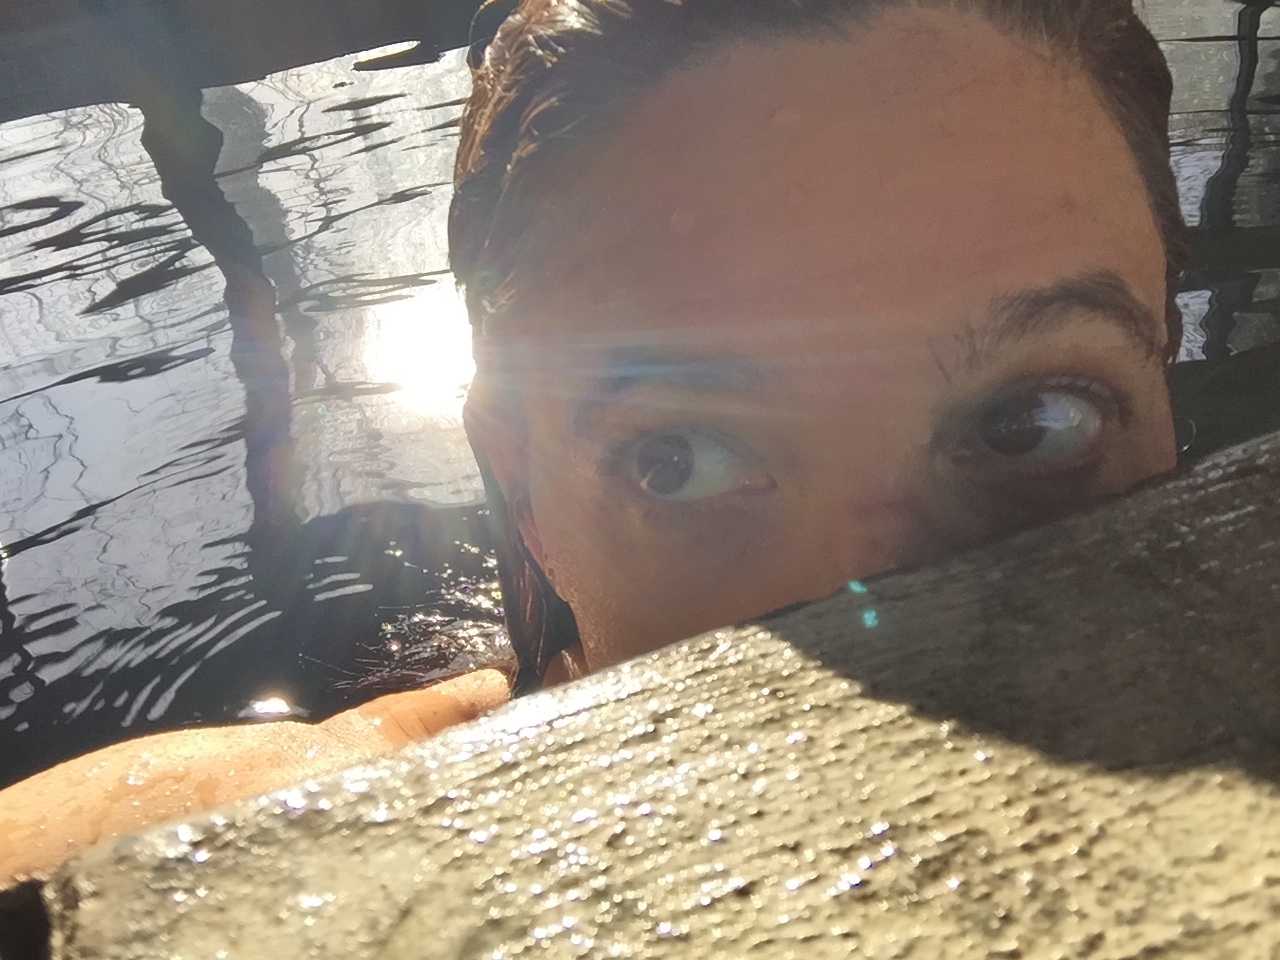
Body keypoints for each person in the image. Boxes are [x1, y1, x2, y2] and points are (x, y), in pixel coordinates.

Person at [0, 0, 1187, 883]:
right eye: (676, 458)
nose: (882, 643)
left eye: (1031, 425)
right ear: (519, 487)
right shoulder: (330, 823)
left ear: (1161, 372)